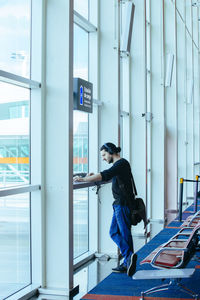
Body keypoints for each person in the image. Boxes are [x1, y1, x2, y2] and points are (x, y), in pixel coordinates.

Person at [73, 142, 137, 277]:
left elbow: (105, 175)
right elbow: (106, 174)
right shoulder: (120, 165)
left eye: (103, 155)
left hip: (123, 204)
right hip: (119, 204)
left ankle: (128, 259)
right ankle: (128, 259)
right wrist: (91, 176)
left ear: (110, 152)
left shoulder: (120, 164)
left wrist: (83, 178)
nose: (103, 158)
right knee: (114, 232)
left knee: (124, 233)